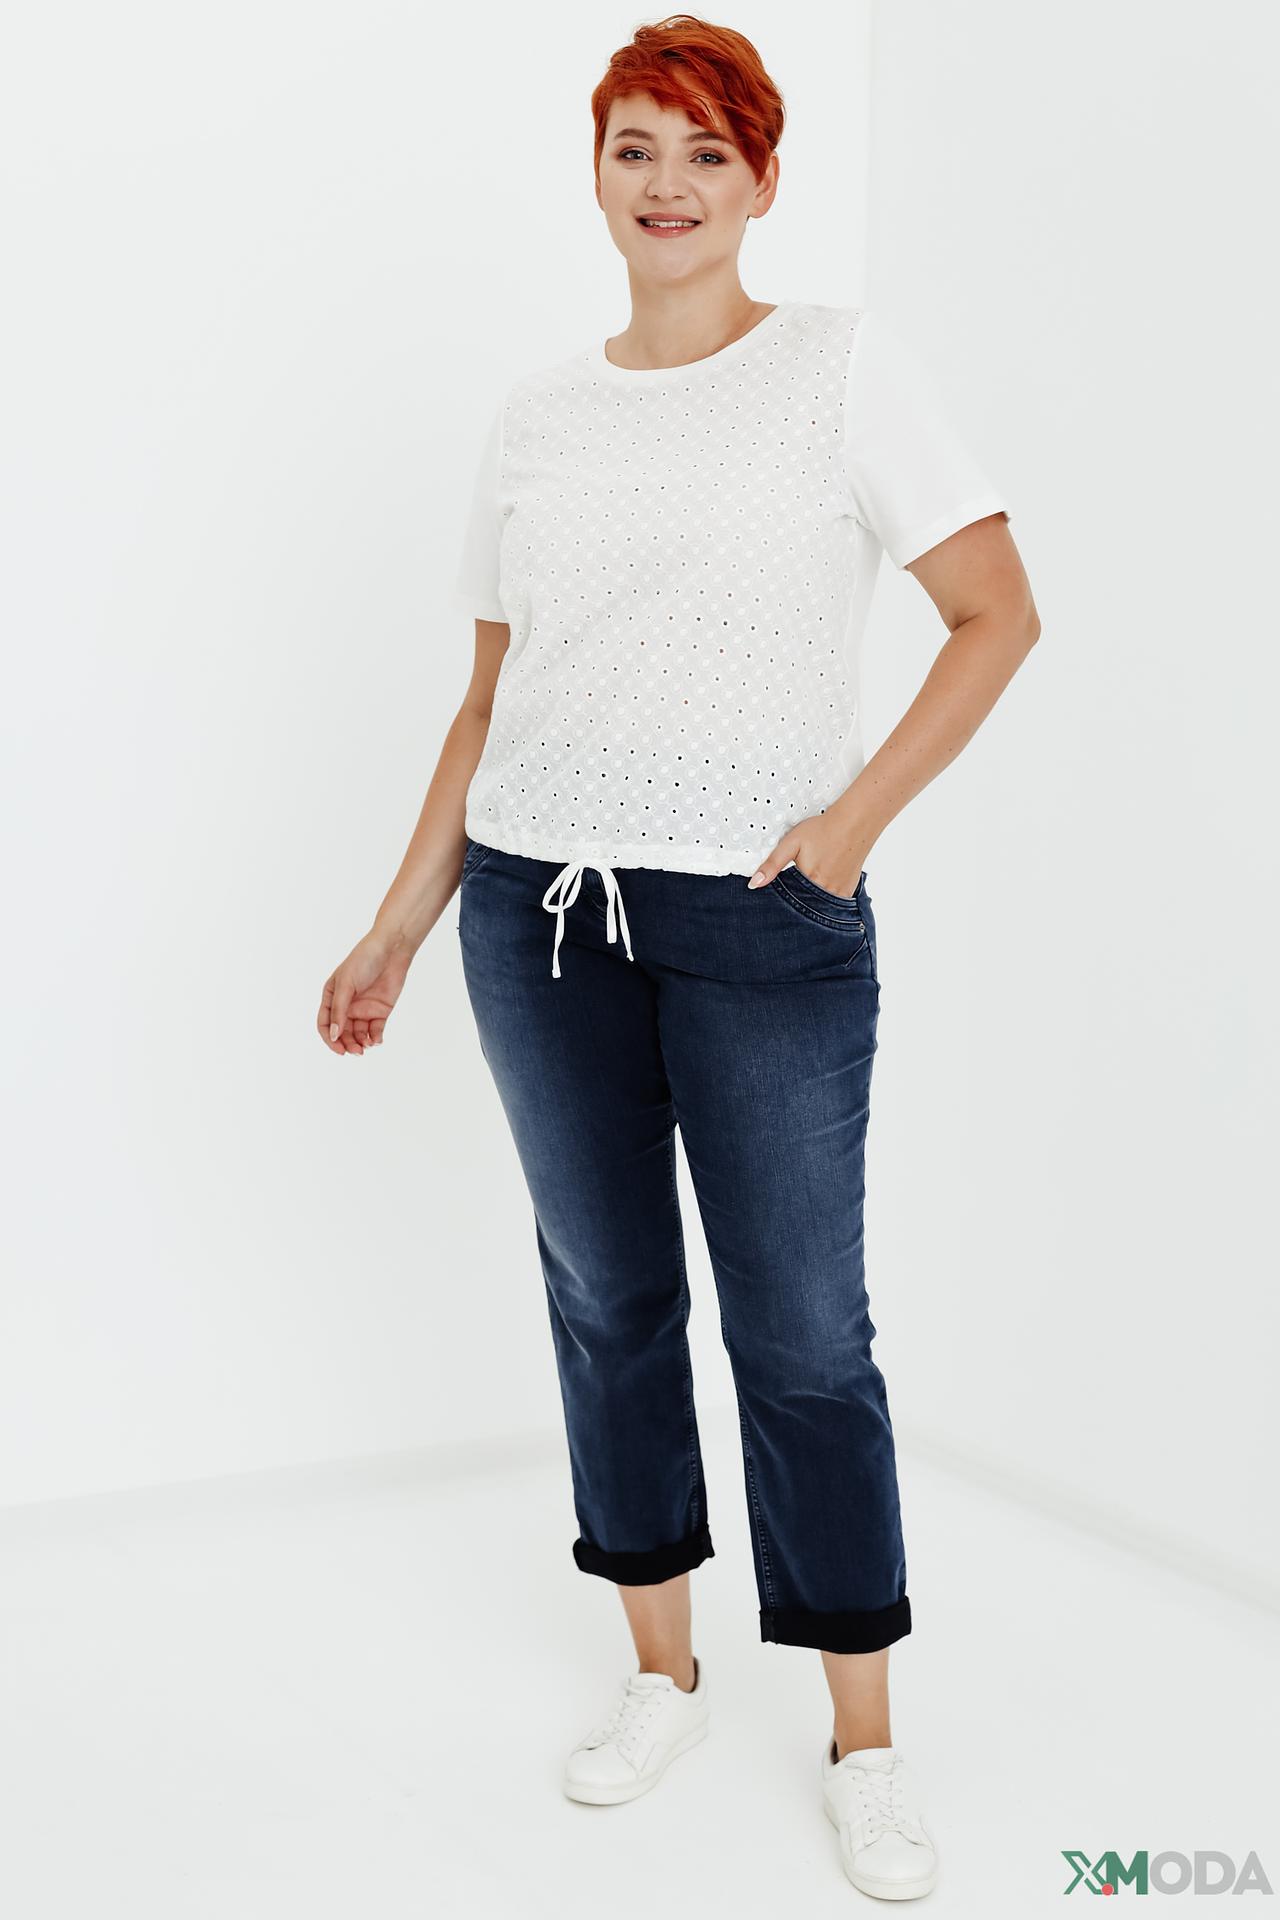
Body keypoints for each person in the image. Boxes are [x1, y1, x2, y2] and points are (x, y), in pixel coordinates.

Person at [317, 13, 1038, 1902]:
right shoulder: (538, 418)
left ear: (764, 181)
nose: (668, 184)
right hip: (539, 913)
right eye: (636, 146)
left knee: (803, 1337)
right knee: (611, 1303)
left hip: (760, 920)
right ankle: (664, 1676)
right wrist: (400, 919)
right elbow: (491, 697)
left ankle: (865, 1745)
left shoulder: (841, 369)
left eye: (707, 151)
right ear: (595, 170)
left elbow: (995, 612)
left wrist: (846, 831)